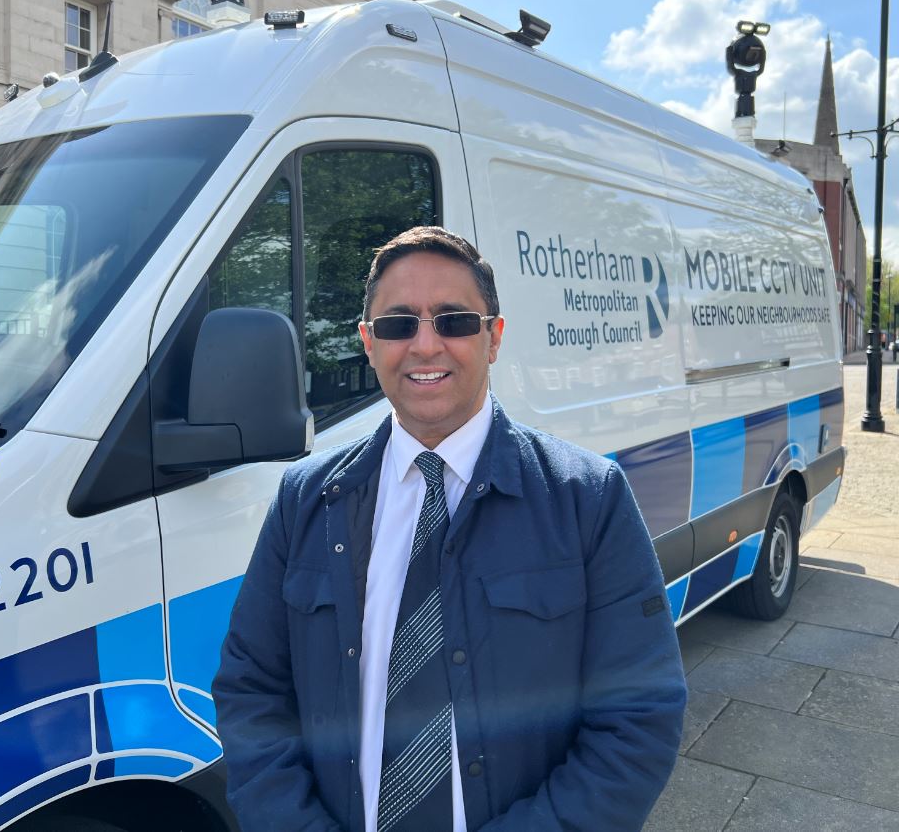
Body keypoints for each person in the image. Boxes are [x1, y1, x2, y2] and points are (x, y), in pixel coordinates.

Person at [213, 226, 686, 832]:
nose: (425, 345)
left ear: (494, 337)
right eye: (398, 323)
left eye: (455, 321)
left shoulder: (587, 499)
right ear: (368, 342)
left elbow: (639, 715)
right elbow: (252, 692)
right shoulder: (306, 500)